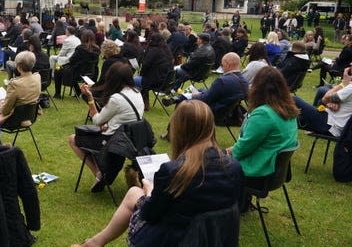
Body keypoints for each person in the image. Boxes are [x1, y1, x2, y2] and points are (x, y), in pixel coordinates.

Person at [72, 100, 243, 247]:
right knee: (133, 193)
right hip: (217, 238)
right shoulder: (234, 167)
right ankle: (95, 242)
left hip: (174, 239)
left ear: (179, 130)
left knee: (136, 193)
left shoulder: (174, 171)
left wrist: (150, 190)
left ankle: (95, 243)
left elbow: (149, 214)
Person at [227, 67, 298, 208]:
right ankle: (241, 203)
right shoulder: (289, 109)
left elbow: (243, 149)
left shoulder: (263, 114)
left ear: (257, 87)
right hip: (274, 173)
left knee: (211, 165)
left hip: (258, 174)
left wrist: (225, 153)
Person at [69, 62, 144, 191]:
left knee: (73, 139)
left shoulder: (116, 98)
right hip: (132, 138)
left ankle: (98, 173)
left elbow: (97, 120)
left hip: (113, 142)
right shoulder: (137, 92)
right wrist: (108, 124)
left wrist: (90, 98)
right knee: (90, 134)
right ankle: (101, 170)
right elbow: (125, 117)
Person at [294, 66, 352, 138]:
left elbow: (325, 99)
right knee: (294, 118)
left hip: (330, 126)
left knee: (293, 99)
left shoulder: (350, 87)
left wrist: (343, 84)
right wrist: (333, 101)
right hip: (336, 125)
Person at [0, 51, 41, 124]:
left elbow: (5, 111)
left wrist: (1, 104)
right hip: (31, 117)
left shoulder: (15, 84)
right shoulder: (37, 77)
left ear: (18, 66)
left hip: (14, 119)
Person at [54, 30, 100, 98]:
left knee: (58, 71)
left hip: (77, 74)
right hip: (91, 73)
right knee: (70, 69)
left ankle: (58, 93)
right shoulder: (97, 49)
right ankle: (77, 90)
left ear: (83, 38)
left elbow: (72, 60)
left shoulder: (80, 48)